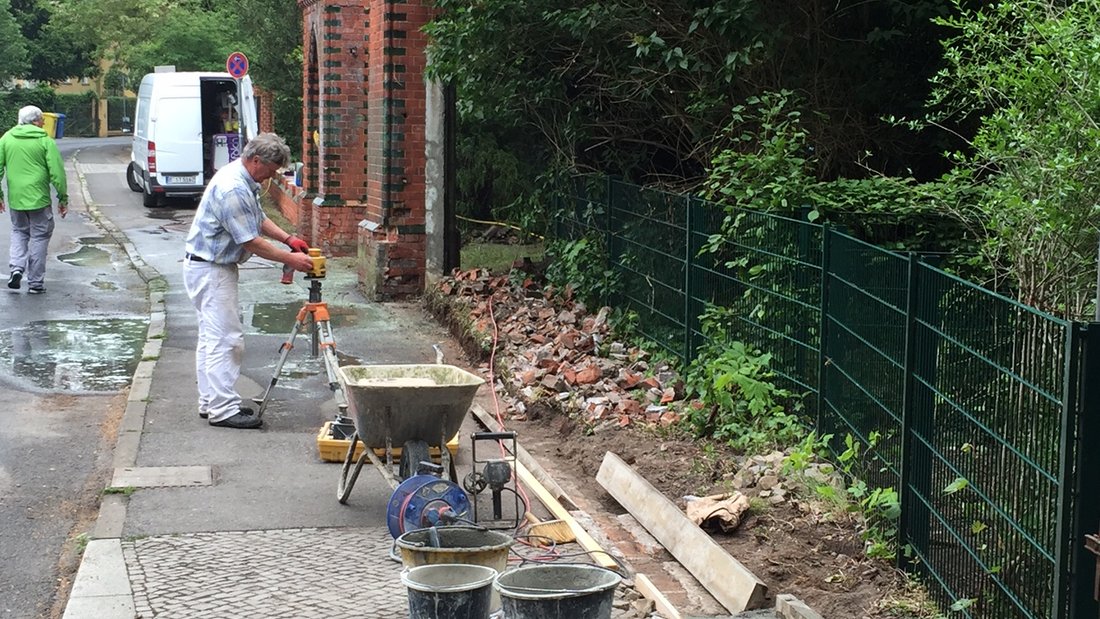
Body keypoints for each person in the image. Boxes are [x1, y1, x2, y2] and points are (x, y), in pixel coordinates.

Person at [183, 133, 314, 429]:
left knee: (210, 339)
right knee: (226, 341)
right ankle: (222, 409)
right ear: (256, 161)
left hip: (207, 266)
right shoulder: (232, 188)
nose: (271, 176)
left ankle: (211, 401)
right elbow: (250, 240)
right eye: (270, 170)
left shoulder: (243, 180)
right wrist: (290, 259)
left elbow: (255, 218)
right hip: (212, 269)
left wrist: (287, 237)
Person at [0, 105, 68, 294]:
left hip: (16, 199)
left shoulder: (6, 139)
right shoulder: (45, 141)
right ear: (36, 121)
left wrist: (0, 195)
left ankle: (16, 268)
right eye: (42, 120)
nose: (45, 123)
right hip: (39, 199)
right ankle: (35, 283)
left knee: (19, 232)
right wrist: (63, 198)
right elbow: (57, 173)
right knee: (39, 236)